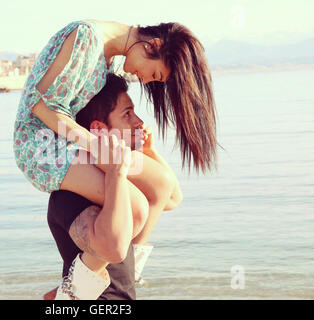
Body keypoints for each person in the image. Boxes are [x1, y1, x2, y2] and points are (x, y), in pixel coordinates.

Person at [13, 19, 217, 297]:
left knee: (162, 185)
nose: (145, 80)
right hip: (42, 145)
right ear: (151, 46)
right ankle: (71, 293)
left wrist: (135, 146)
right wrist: (97, 146)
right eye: (154, 74)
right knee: (135, 208)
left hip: (73, 142)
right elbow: (42, 107)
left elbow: (170, 195)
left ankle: (128, 275)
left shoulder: (105, 56)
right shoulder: (85, 37)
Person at [46, 73, 182, 299]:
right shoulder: (69, 195)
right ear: (99, 130)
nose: (139, 122)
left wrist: (149, 151)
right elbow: (112, 248)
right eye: (127, 114)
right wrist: (116, 172)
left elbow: (171, 198)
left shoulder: (118, 182)